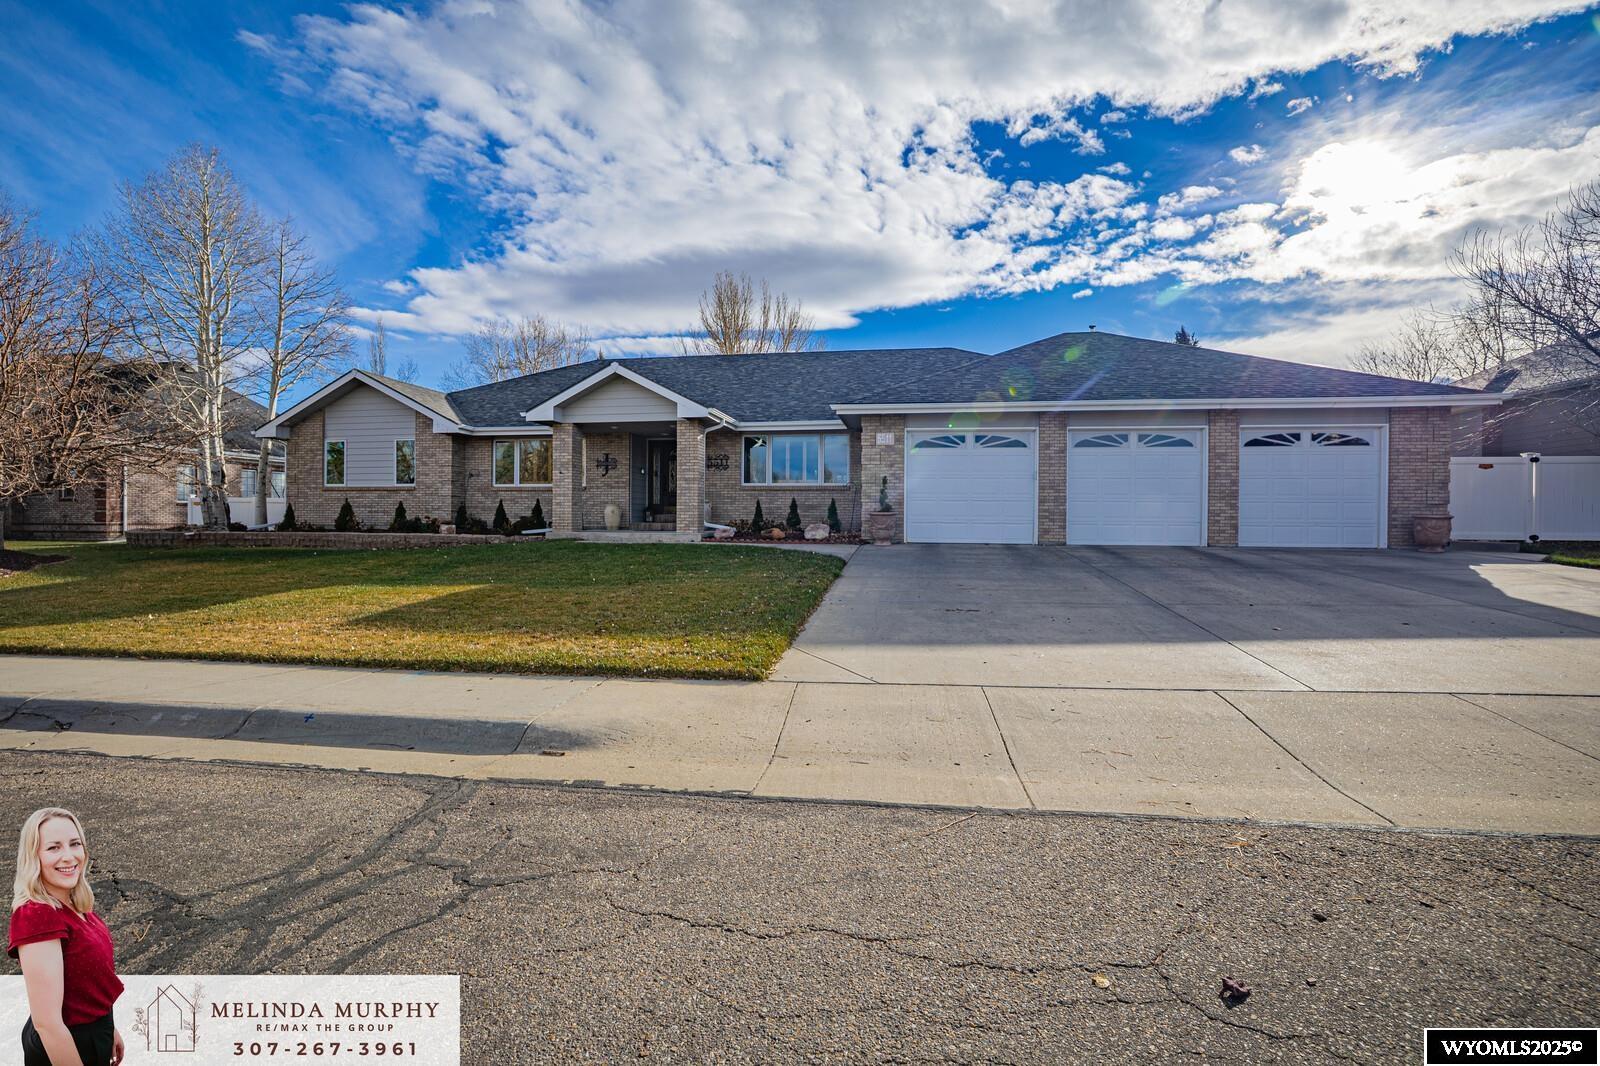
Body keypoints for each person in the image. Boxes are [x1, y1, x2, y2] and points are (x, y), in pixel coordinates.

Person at [9, 808, 124, 1066]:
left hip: (93, 1034)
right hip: (65, 1046)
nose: (69, 856)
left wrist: (108, 1028)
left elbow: (85, 985)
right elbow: (48, 1024)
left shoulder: (73, 904)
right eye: (53, 848)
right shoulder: (37, 916)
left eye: (75, 844)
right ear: (33, 856)